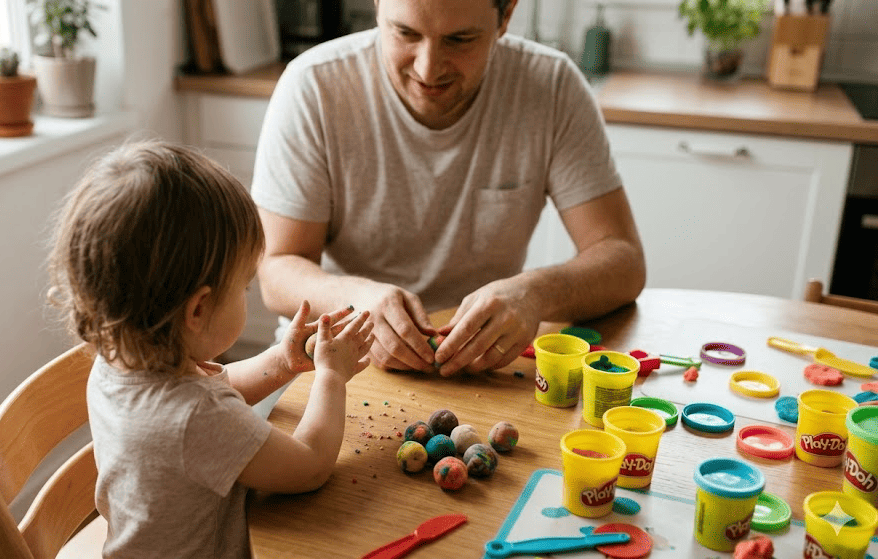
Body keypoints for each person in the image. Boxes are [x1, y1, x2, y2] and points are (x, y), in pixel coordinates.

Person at [251, 0, 646, 377]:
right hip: (336, 363)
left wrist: (535, 293)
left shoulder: (553, 87)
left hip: (486, 373)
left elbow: (623, 260)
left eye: (459, 40)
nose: (428, 68)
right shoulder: (314, 86)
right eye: (405, 32)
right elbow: (276, 268)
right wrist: (356, 303)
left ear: (506, 14)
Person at [46, 140, 374, 558]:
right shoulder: (198, 419)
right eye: (243, 287)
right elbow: (309, 465)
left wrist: (279, 363)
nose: (247, 294)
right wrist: (332, 376)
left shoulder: (120, 364)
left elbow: (213, 391)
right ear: (198, 309)